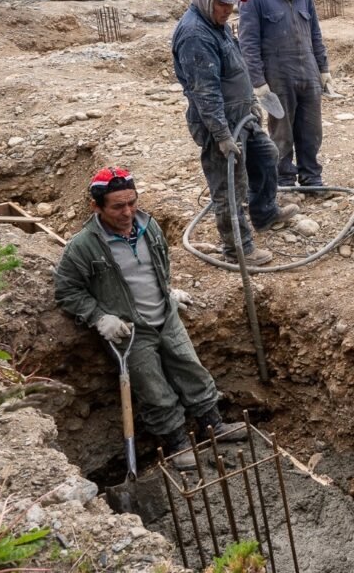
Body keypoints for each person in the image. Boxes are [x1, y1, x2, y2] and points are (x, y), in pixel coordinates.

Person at [54, 167, 248, 470]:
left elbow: (159, 267)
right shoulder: (84, 246)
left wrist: (167, 293)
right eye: (118, 206)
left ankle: (214, 426)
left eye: (132, 202)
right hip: (131, 330)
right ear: (96, 207)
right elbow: (67, 290)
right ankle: (178, 444)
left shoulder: (149, 227)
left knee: (192, 371)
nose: (128, 211)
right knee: (155, 390)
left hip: (165, 317)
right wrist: (98, 317)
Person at [172, 0, 297, 266]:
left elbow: (237, 68)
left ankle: (265, 213)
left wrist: (251, 102)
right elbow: (206, 92)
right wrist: (223, 136)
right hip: (220, 122)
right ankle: (238, 249)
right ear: (206, 0)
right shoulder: (195, 35)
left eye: (231, 5)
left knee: (267, 156)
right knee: (230, 187)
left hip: (241, 115)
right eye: (222, 4)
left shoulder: (218, 25)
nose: (228, 10)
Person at [238, 0, 335, 189]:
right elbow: (248, 44)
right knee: (282, 131)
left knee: (311, 129)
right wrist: (258, 83)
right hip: (278, 76)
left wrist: (323, 69)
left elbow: (314, 33)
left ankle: (311, 176)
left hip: (308, 71)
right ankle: (284, 178)